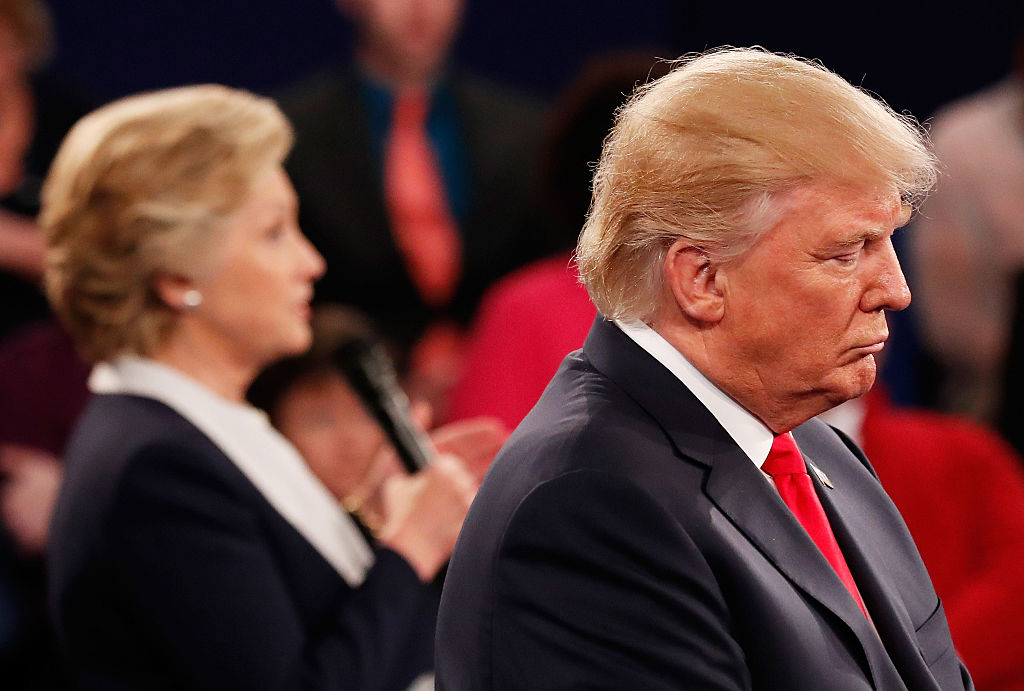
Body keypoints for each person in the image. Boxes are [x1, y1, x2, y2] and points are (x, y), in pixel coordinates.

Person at [436, 48, 971, 690]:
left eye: (888, 241)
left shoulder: (823, 455)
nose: (896, 288)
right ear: (703, 278)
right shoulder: (591, 504)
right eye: (846, 252)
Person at [43, 84, 478, 690]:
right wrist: (410, 548)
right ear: (175, 275)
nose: (311, 263)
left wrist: (377, 518)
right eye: (275, 233)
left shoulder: (213, 429)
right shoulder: (156, 468)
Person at [279, 0, 547, 419]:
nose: (421, 7)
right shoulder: (290, 137)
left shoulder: (527, 132)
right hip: (343, 408)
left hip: (509, 405)